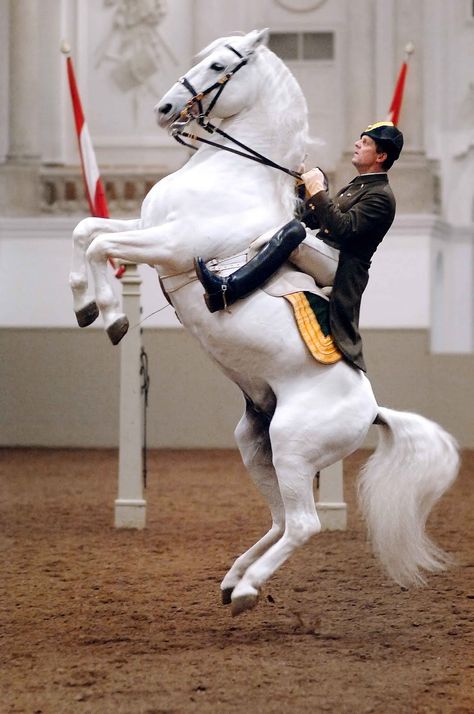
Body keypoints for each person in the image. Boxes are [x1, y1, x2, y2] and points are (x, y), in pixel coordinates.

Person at [194, 121, 404, 371]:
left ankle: (230, 289)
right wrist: (300, 187)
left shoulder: (381, 195)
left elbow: (344, 230)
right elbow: (312, 218)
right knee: (285, 228)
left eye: (366, 142)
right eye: (361, 139)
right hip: (328, 254)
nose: (357, 144)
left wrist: (317, 190)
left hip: (342, 266)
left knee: (294, 234)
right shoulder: (358, 186)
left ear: (381, 156)